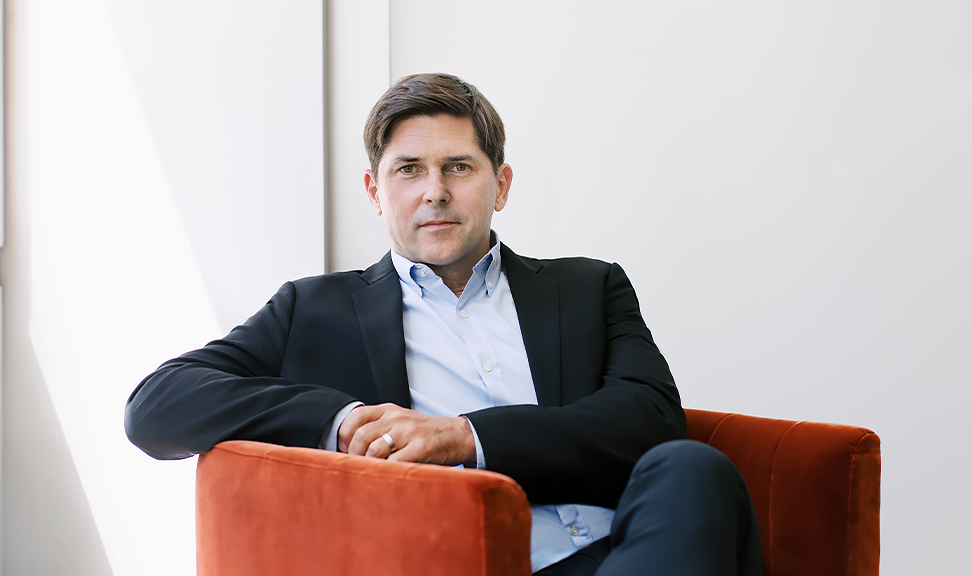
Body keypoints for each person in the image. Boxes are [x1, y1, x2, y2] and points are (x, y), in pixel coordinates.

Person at [125, 73, 765, 576]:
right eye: (409, 170)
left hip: (630, 552)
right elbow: (155, 408)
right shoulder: (310, 309)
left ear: (501, 184)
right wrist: (344, 421)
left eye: (458, 167)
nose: (434, 191)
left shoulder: (588, 286)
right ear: (377, 193)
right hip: (460, 562)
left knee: (692, 469)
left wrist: (466, 438)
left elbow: (650, 420)